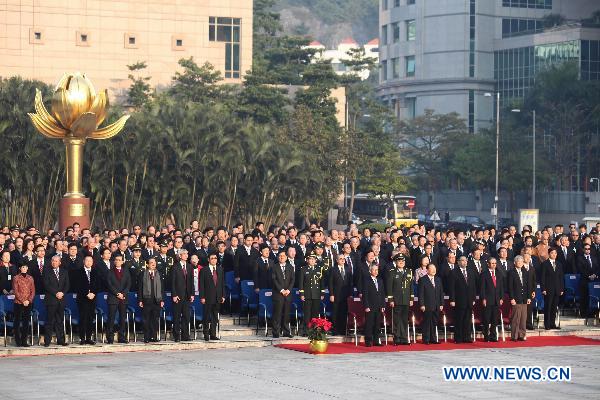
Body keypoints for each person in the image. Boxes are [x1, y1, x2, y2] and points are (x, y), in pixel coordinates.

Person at [386, 253, 413, 345]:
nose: (401, 262)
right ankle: (397, 338)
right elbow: (389, 287)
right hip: (396, 300)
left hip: (406, 299)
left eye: (403, 261)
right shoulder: (392, 272)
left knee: (405, 319)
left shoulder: (409, 271)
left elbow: (411, 286)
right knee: (397, 320)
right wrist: (391, 300)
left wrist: (411, 298)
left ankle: (404, 338)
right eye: (399, 261)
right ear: (396, 262)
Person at [43, 255, 69, 346]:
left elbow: (67, 285)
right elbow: (46, 285)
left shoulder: (64, 272)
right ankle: (47, 341)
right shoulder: (46, 271)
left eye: (56, 261)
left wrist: (62, 293)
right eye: (53, 261)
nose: (54, 262)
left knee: (60, 321)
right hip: (51, 299)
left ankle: (60, 340)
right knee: (49, 321)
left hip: (61, 300)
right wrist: (56, 293)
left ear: (60, 262)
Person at [450, 255, 477, 343]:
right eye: (462, 260)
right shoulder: (454, 272)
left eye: (465, 260)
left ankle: (467, 337)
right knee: (459, 320)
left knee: (467, 320)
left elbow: (473, 286)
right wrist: (452, 300)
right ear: (458, 262)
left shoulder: (470, 271)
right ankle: (458, 338)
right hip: (459, 300)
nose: (464, 262)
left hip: (469, 300)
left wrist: (473, 298)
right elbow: (452, 288)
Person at [199, 253, 225, 341]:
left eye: (215, 258)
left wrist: (223, 295)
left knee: (215, 317)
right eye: (212, 258)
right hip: (207, 297)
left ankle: (213, 334)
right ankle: (206, 333)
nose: (214, 259)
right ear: (208, 260)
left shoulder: (220, 269)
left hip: (217, 297)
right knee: (206, 316)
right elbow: (201, 285)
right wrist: (202, 297)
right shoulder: (204, 270)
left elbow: (222, 283)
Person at [138, 258, 164, 343]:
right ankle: (146, 337)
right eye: (151, 263)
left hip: (157, 300)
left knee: (155, 320)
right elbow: (140, 288)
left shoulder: (159, 273)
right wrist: (140, 300)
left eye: (154, 263)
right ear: (147, 264)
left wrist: (162, 299)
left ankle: (154, 336)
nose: (153, 264)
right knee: (146, 320)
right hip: (147, 300)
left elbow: (162, 288)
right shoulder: (143, 274)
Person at [106, 254, 131, 344]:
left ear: (122, 261)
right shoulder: (110, 271)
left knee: (122, 319)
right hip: (113, 297)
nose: (118, 261)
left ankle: (121, 337)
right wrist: (117, 293)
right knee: (111, 318)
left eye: (120, 260)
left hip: (123, 298)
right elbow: (109, 284)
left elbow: (128, 284)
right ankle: (110, 338)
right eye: (116, 260)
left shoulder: (126, 271)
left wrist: (123, 293)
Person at [76, 255, 100, 345]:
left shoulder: (95, 272)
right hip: (82, 299)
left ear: (92, 262)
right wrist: (87, 293)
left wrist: (93, 293)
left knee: (90, 318)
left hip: (93, 299)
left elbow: (98, 285)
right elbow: (77, 285)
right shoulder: (78, 272)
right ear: (84, 261)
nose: (88, 262)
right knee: (83, 318)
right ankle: (82, 338)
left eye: (90, 261)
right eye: (87, 260)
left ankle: (89, 338)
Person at [171, 249, 194, 342]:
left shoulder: (189, 266)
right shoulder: (175, 267)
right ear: (180, 256)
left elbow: (191, 282)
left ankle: (185, 336)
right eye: (184, 254)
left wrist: (192, 294)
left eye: (187, 254)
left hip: (187, 295)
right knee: (177, 316)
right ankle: (176, 336)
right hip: (178, 295)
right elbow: (172, 283)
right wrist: (174, 295)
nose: (186, 255)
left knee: (186, 316)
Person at [299, 253, 324, 335]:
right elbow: (301, 283)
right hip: (307, 294)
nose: (312, 260)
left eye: (313, 259)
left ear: (315, 260)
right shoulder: (303, 269)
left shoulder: (319, 269)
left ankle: (314, 331)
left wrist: (322, 293)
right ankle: (306, 331)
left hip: (316, 294)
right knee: (307, 314)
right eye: (310, 259)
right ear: (307, 260)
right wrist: (302, 294)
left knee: (315, 314)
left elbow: (321, 283)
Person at [271, 252, 294, 338]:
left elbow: (292, 280)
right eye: (280, 256)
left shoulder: (290, 267)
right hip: (278, 294)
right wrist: (281, 290)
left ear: (286, 257)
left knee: (287, 314)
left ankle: (286, 332)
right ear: (278, 257)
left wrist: (288, 290)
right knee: (277, 313)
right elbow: (274, 280)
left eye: (283, 256)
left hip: (288, 294)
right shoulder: (274, 267)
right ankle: (276, 332)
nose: (281, 257)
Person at [418, 263, 443, 344]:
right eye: (431, 269)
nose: (434, 270)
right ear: (427, 270)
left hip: (436, 305)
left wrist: (441, 304)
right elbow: (421, 293)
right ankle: (426, 339)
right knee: (427, 323)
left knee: (434, 322)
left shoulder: (438, 279)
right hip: (427, 305)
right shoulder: (422, 279)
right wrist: (422, 304)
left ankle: (433, 339)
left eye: (434, 268)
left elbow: (441, 293)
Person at [480, 258, 504, 342]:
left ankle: (493, 336)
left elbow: (501, 287)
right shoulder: (484, 274)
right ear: (488, 264)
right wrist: (483, 298)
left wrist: (501, 298)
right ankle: (486, 335)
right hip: (488, 300)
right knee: (487, 319)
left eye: (495, 263)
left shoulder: (499, 274)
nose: (493, 265)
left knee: (494, 319)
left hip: (496, 300)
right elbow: (482, 288)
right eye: (492, 263)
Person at [540, 247, 564, 330]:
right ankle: (547, 324)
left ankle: (552, 323)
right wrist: (543, 289)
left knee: (554, 307)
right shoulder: (545, 264)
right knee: (548, 307)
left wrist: (561, 289)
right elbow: (542, 278)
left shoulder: (559, 264)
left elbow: (561, 277)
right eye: (552, 253)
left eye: (555, 253)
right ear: (549, 254)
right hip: (548, 289)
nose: (554, 255)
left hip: (557, 289)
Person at [362, 263, 385, 347]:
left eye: (377, 270)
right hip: (370, 306)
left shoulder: (380, 280)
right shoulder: (366, 280)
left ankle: (376, 340)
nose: (376, 271)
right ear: (370, 271)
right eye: (374, 270)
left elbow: (382, 294)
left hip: (379, 306)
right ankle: (368, 341)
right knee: (369, 324)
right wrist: (366, 306)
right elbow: (365, 294)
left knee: (377, 324)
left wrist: (383, 306)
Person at [12, 263, 35, 347]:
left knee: (26, 322)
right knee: (17, 322)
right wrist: (23, 300)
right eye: (23, 267)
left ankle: (24, 341)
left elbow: (33, 291)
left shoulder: (30, 278)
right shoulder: (16, 278)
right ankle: (18, 341)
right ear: (20, 268)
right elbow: (15, 291)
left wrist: (29, 300)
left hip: (28, 303)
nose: (24, 268)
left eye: (25, 267)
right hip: (18, 302)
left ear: (27, 268)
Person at [329, 254, 352, 336]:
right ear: (337, 260)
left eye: (343, 259)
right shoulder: (333, 269)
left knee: (344, 312)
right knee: (336, 312)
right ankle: (335, 330)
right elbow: (330, 283)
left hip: (345, 295)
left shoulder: (348, 269)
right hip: (336, 294)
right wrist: (331, 294)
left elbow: (350, 283)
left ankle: (343, 330)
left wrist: (350, 294)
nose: (342, 260)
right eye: (340, 259)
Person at [508, 256, 530, 341]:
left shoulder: (525, 272)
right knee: (515, 319)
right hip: (516, 298)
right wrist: (512, 298)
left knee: (523, 319)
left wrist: (528, 297)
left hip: (524, 298)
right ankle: (514, 336)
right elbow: (510, 287)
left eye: (521, 262)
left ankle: (522, 335)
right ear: (515, 263)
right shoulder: (511, 272)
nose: (520, 263)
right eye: (518, 262)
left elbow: (527, 286)